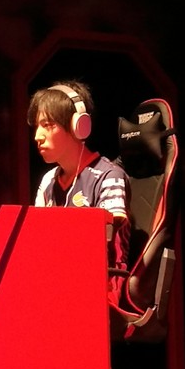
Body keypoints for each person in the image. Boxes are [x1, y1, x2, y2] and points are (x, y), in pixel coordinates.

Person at [26, 80, 132, 315]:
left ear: (78, 126)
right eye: (36, 127)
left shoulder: (108, 176)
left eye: (47, 125)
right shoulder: (48, 181)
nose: (37, 136)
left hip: (101, 287)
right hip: (58, 282)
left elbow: (105, 235)